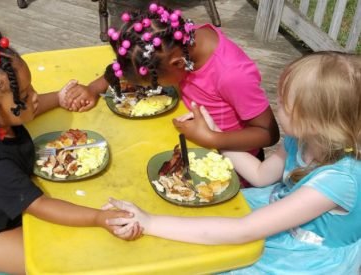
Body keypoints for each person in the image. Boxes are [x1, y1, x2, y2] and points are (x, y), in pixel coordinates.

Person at [104, 51, 361, 274]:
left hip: (303, 258)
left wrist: (150, 223)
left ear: (314, 121)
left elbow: (244, 231)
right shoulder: (303, 139)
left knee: (205, 260)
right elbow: (261, 175)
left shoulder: (339, 180)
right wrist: (215, 134)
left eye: (284, 104)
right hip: (272, 215)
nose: (277, 105)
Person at [0, 31, 141, 275]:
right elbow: (40, 205)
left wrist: (59, 98)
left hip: (2, 202)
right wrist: (99, 218)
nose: (35, 96)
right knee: (57, 261)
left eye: (31, 88)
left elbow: (29, 110)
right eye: (25, 96)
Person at [64, 3, 280, 187]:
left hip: (228, 168)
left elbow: (268, 134)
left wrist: (212, 138)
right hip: (190, 142)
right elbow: (134, 63)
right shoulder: (171, 42)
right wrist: (94, 88)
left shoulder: (232, 74)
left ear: (178, 65)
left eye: (154, 82)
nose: (151, 87)